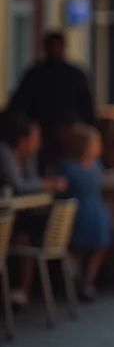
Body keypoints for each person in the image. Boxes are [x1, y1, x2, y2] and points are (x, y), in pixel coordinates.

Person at [0, 110, 66, 308]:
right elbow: (20, 186)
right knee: (24, 232)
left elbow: (28, 182)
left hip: (15, 214)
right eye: (35, 137)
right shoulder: (4, 153)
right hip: (6, 214)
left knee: (28, 230)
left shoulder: (26, 156)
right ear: (22, 139)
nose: (39, 142)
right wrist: (47, 183)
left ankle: (22, 291)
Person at [8, 31, 95, 175]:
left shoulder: (74, 75)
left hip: (69, 137)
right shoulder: (35, 74)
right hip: (42, 135)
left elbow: (87, 108)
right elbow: (19, 105)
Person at [56, 126, 114, 301]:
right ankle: (77, 281)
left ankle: (88, 281)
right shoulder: (68, 168)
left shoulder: (97, 166)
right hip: (78, 211)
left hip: (96, 210)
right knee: (77, 247)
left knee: (101, 243)